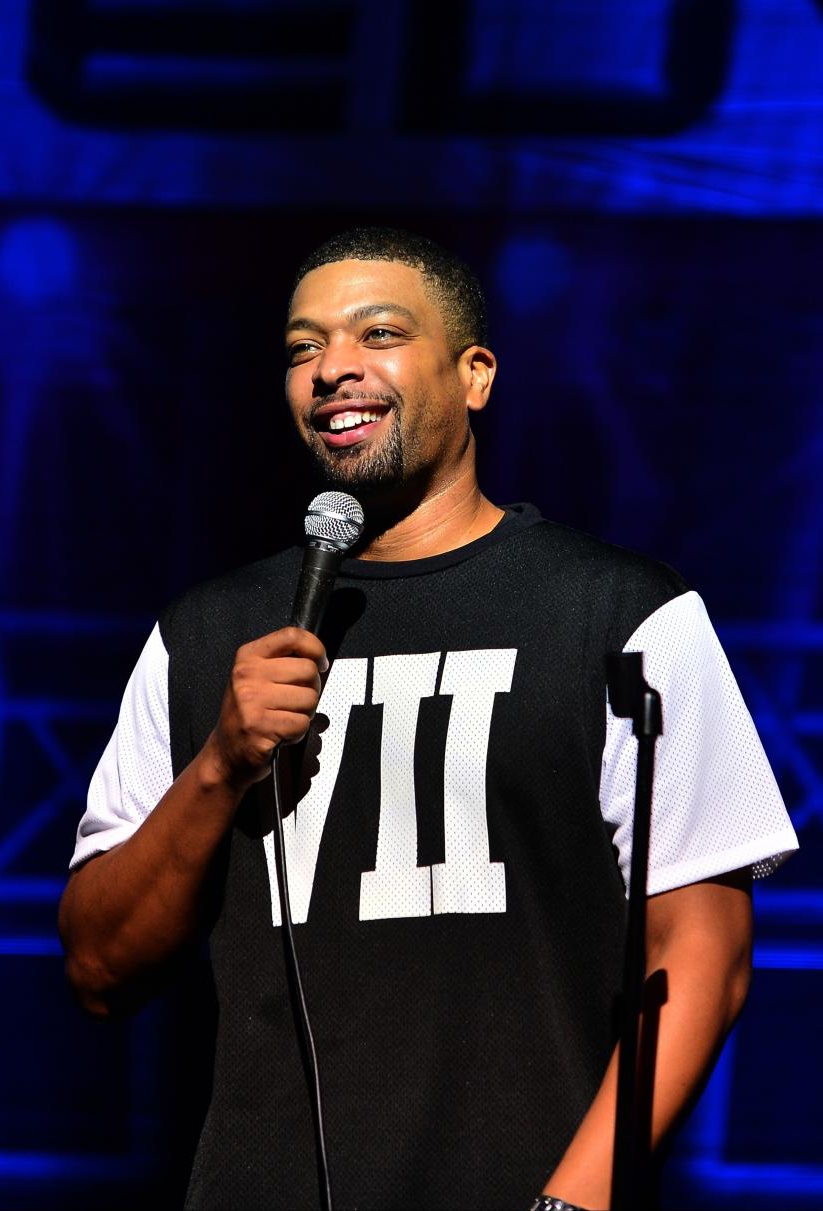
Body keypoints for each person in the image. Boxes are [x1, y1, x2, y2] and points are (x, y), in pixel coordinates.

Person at [59, 228, 798, 1211]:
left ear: (475, 375)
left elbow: (704, 955)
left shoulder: (622, 614)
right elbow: (100, 965)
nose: (333, 370)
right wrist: (217, 767)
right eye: (302, 347)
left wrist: (569, 1207)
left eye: (380, 333)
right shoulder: (206, 635)